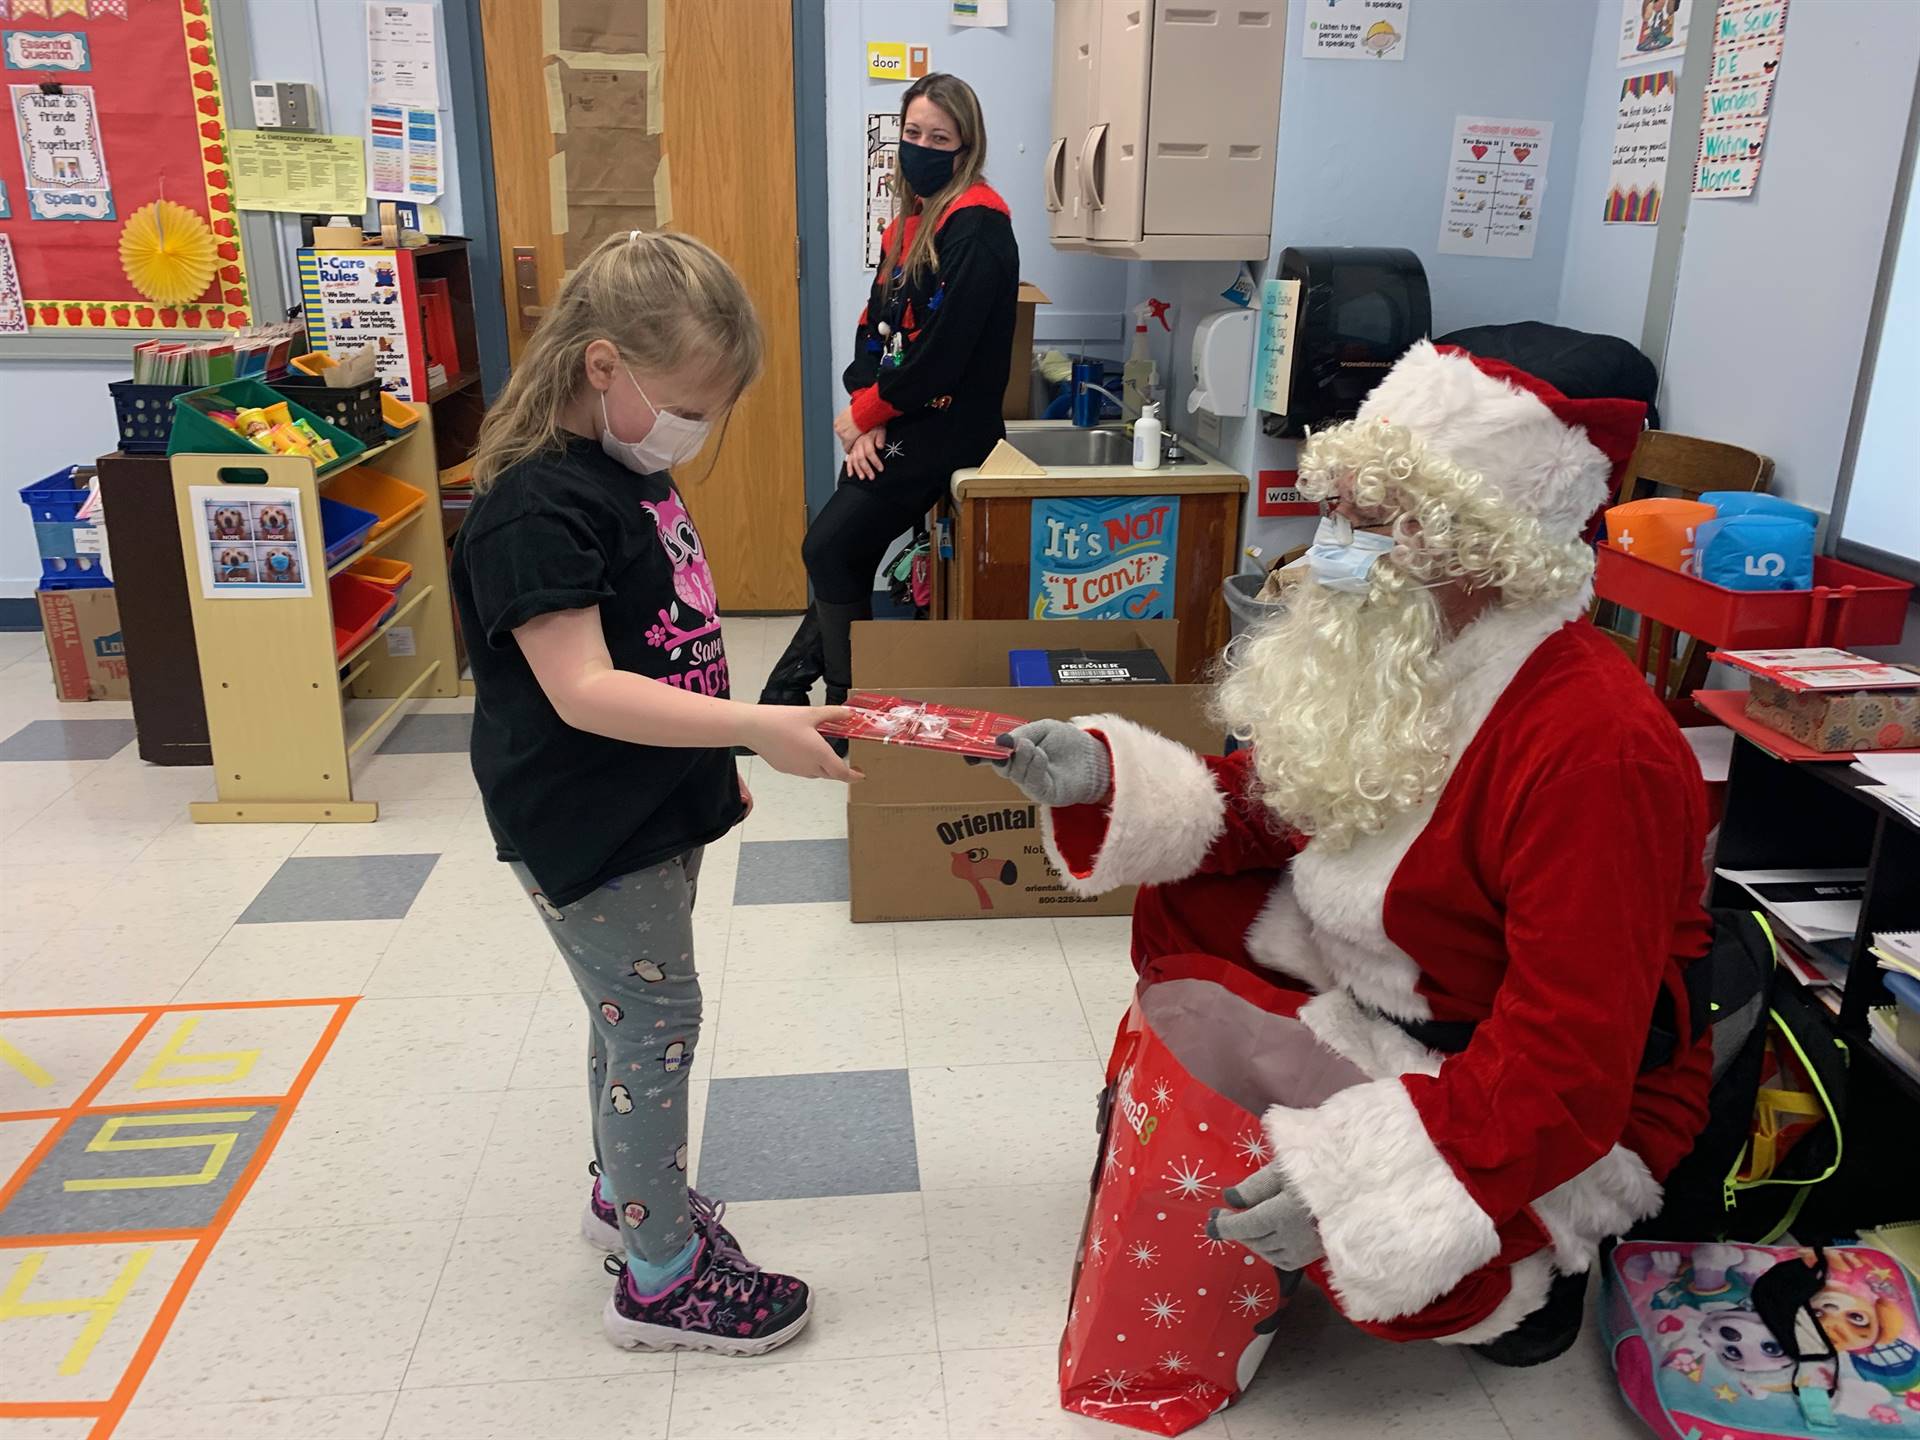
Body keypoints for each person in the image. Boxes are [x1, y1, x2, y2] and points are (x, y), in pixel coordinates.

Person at [982, 341, 1713, 1363]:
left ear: (1478, 543)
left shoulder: (1596, 747)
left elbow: (1569, 1060)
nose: (1329, 550)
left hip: (1546, 1080)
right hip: (1403, 988)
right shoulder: (1408, 643)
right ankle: (1287, 1156)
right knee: (1197, 905)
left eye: (1369, 522)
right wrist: (1109, 778)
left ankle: (1529, 1271)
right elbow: (1278, 803)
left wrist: (1362, 1184)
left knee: (1422, 1278)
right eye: (1339, 512)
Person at [452, 230, 857, 1357]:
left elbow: (664, 640)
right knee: (656, 1027)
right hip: (585, 820)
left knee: (627, 1013)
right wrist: (756, 729)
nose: (699, 429)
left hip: (644, 804)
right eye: (685, 403)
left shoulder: (626, 468)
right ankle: (660, 1276)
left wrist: (710, 771)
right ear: (600, 367)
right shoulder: (536, 509)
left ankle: (624, 1203)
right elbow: (583, 689)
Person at [762, 72, 1019, 708]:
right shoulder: (908, 225)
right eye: (912, 133)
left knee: (829, 545)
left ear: (966, 148)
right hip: (900, 418)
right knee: (839, 551)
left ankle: (842, 700)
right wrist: (865, 410)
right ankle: (802, 694)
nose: (922, 146)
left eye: (939, 136)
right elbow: (872, 326)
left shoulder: (979, 228)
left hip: (951, 426)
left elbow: (943, 356)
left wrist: (867, 415)